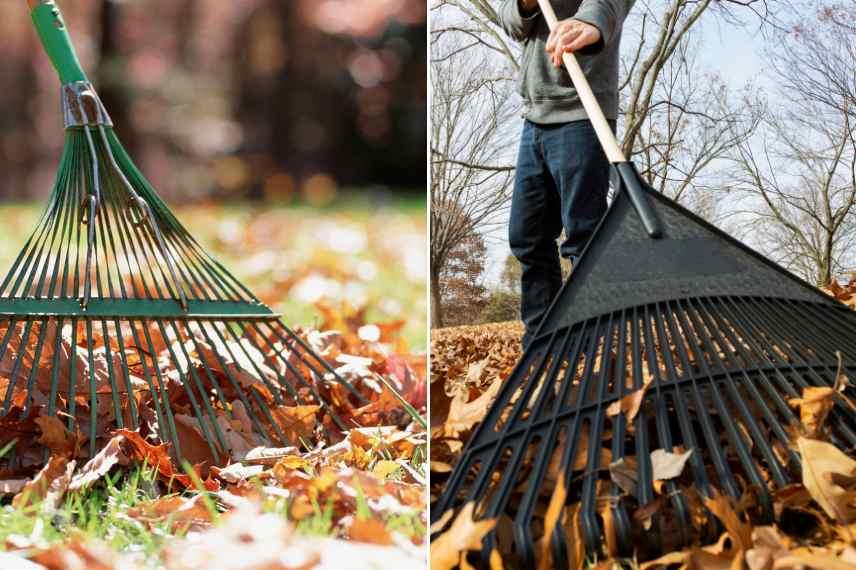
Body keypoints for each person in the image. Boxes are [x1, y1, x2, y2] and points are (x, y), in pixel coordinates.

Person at [499, 0, 634, 348]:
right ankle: (542, 344)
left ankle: (595, 344)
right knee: (527, 236)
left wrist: (591, 21)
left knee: (583, 236)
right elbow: (512, 23)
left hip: (582, 108)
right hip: (534, 114)